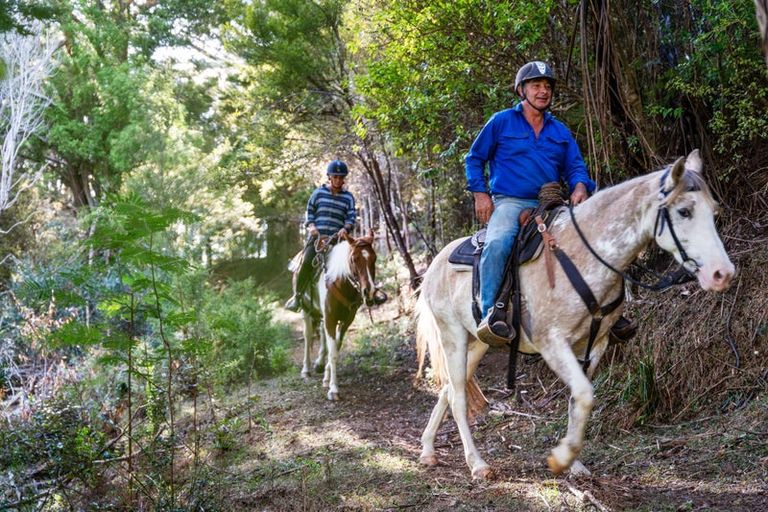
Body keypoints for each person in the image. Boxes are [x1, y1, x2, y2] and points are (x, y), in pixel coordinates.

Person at [466, 61, 597, 345]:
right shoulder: (501, 121)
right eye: (536, 85)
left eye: (547, 86)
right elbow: (474, 158)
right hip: (511, 200)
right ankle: (490, 314)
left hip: (550, 202)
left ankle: (601, 309)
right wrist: (480, 193)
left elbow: (575, 167)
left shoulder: (560, 131)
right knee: (499, 241)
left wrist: (578, 186)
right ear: (521, 90)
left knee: (588, 237)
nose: (543, 91)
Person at [285, 160, 356, 312]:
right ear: (329, 177)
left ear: (344, 179)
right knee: (306, 262)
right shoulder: (318, 193)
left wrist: (346, 228)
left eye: (340, 177)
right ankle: (297, 297)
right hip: (318, 240)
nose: (338, 180)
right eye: (335, 176)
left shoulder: (348, 197)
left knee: (354, 264)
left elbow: (351, 217)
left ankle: (360, 297)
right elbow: (309, 212)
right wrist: (311, 226)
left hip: (337, 241)